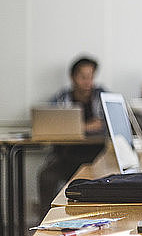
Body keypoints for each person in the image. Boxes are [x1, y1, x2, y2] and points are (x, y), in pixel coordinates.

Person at [38, 55, 106, 217]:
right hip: (65, 157)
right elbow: (50, 123)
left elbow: (106, 123)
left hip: (95, 158)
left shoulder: (101, 96)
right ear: (73, 77)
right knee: (46, 177)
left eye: (91, 77)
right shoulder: (61, 98)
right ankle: (46, 220)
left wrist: (75, 127)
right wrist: (86, 126)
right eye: (83, 77)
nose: (88, 82)